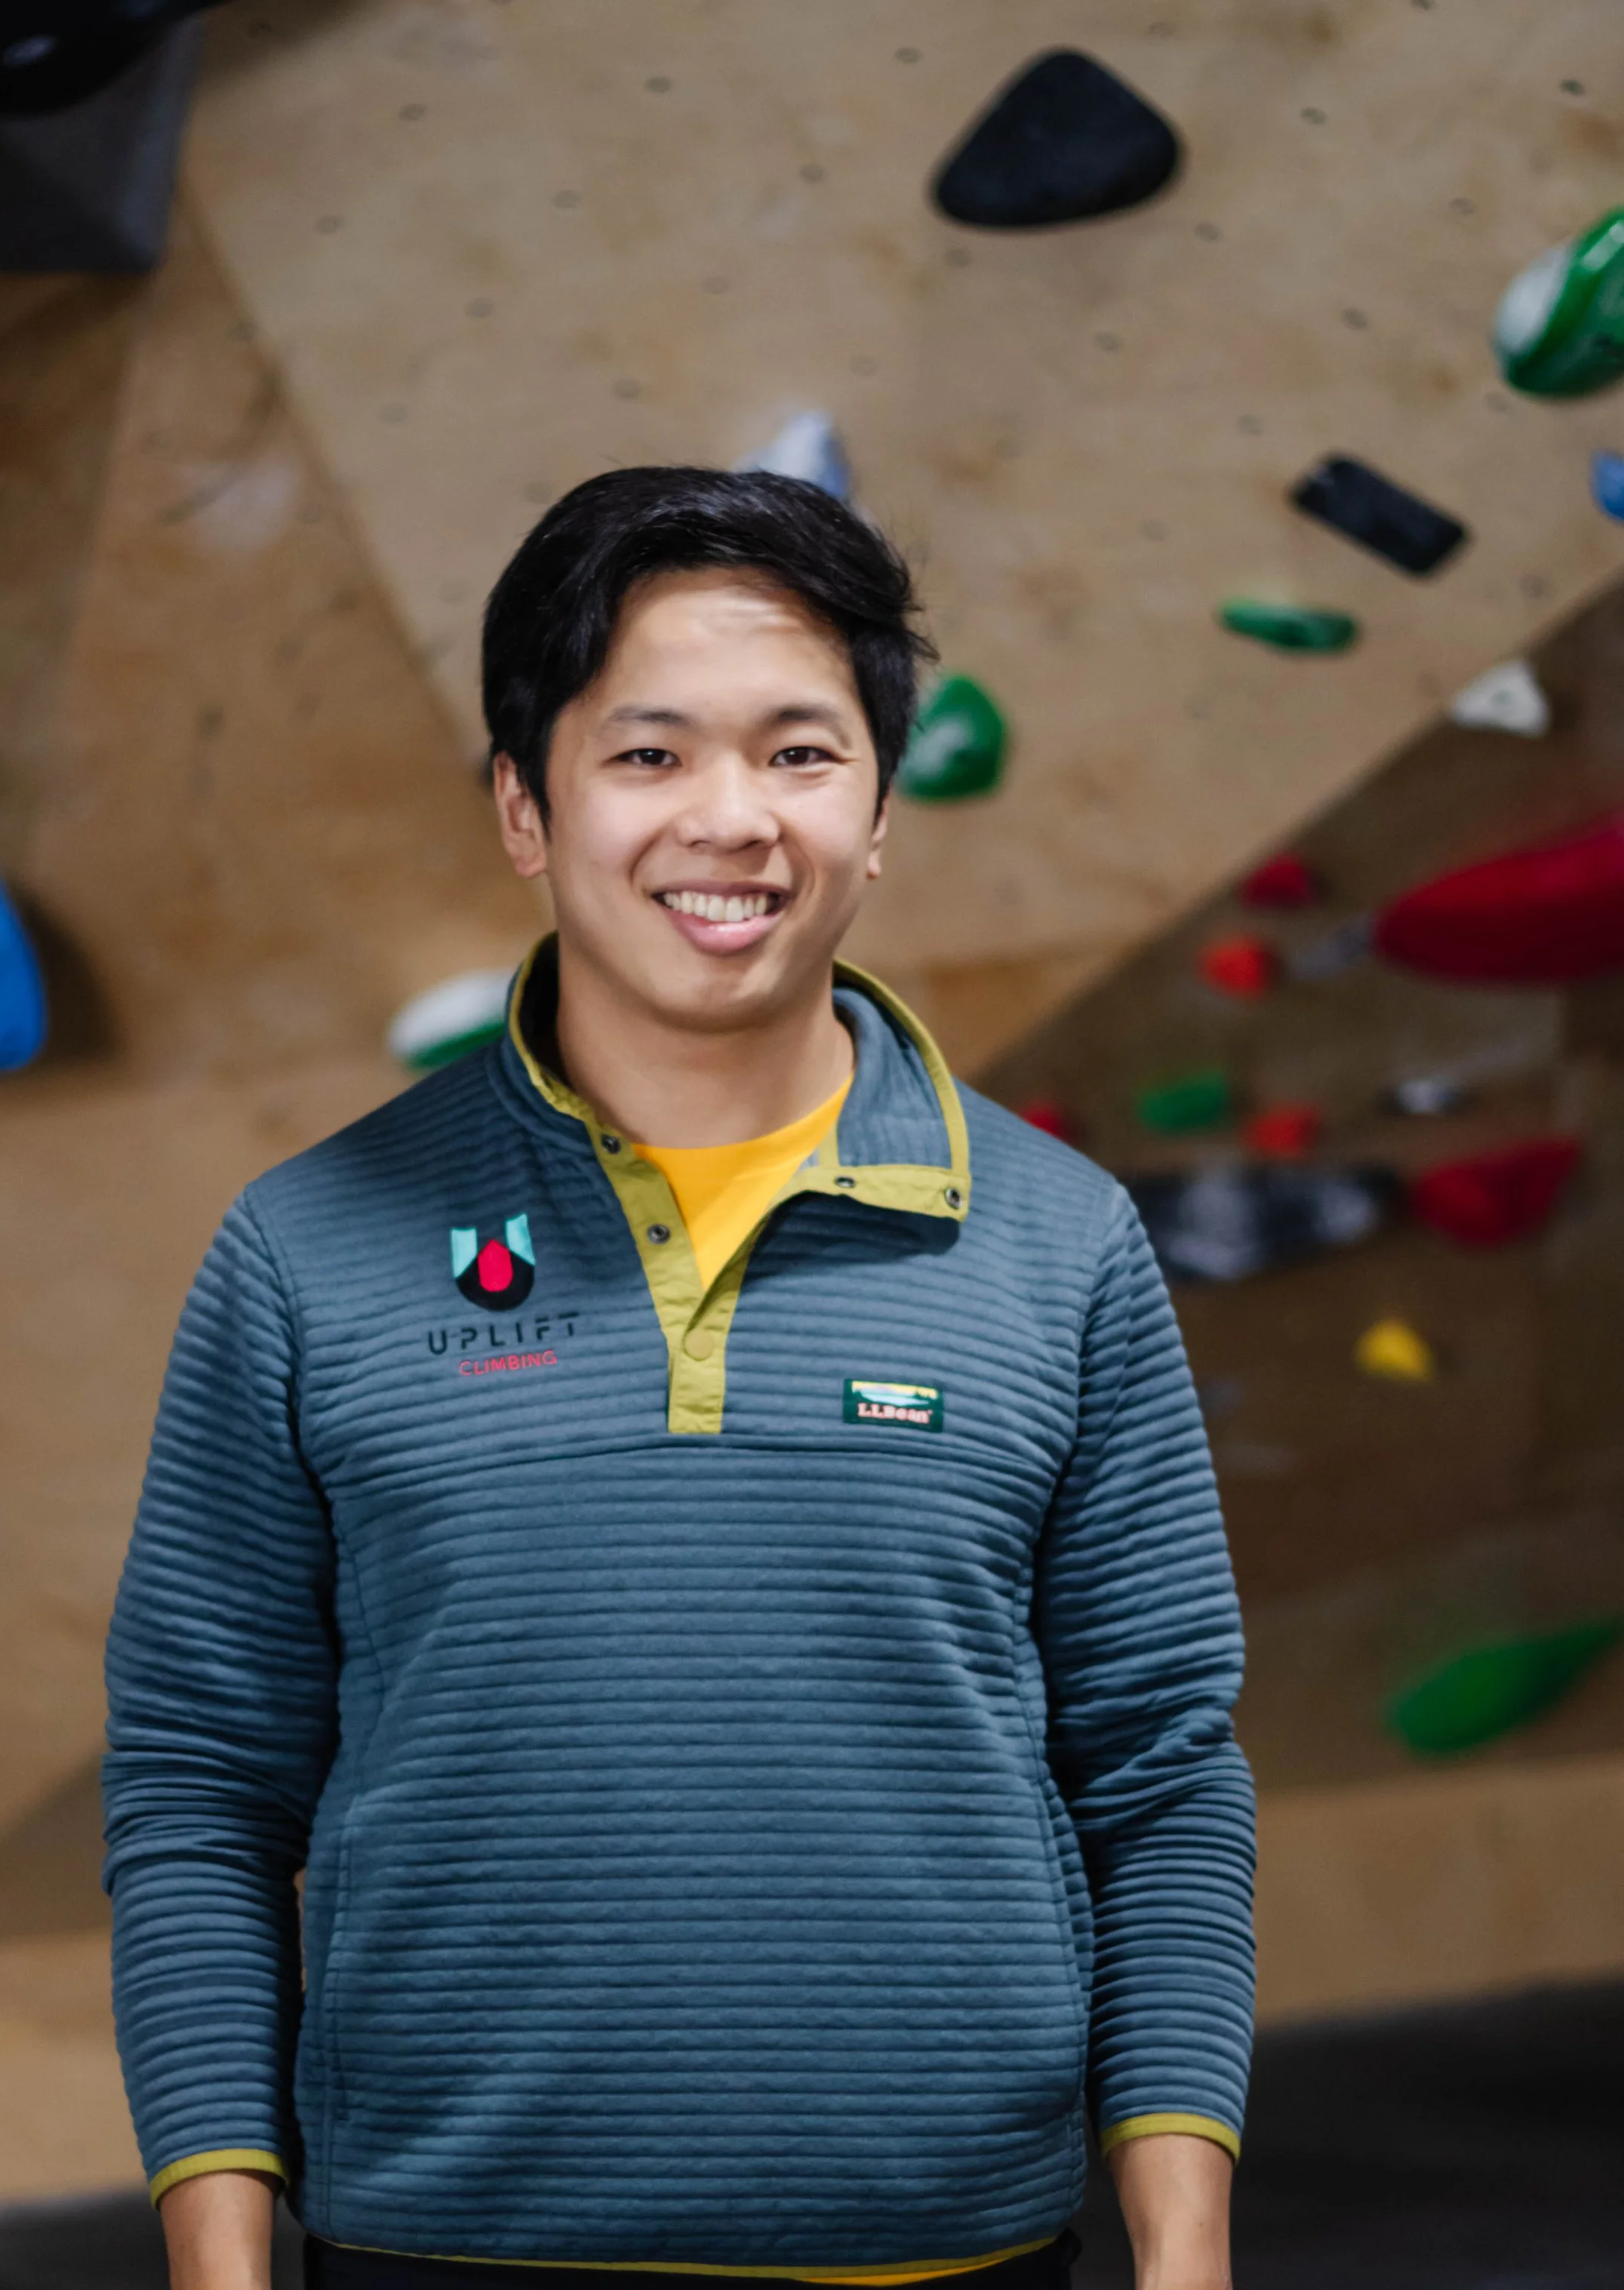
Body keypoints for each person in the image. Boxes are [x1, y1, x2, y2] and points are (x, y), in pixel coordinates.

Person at [102, 468, 1255, 2290]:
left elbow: (1161, 1775)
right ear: (523, 804)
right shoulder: (305, 1247)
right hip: (438, 2250)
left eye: (799, 754)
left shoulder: (1061, 1245)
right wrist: (219, 2266)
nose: (731, 820)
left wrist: (1182, 2259)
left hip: (944, 2252)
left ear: (878, 810)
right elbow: (197, 1790)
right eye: (647, 754)